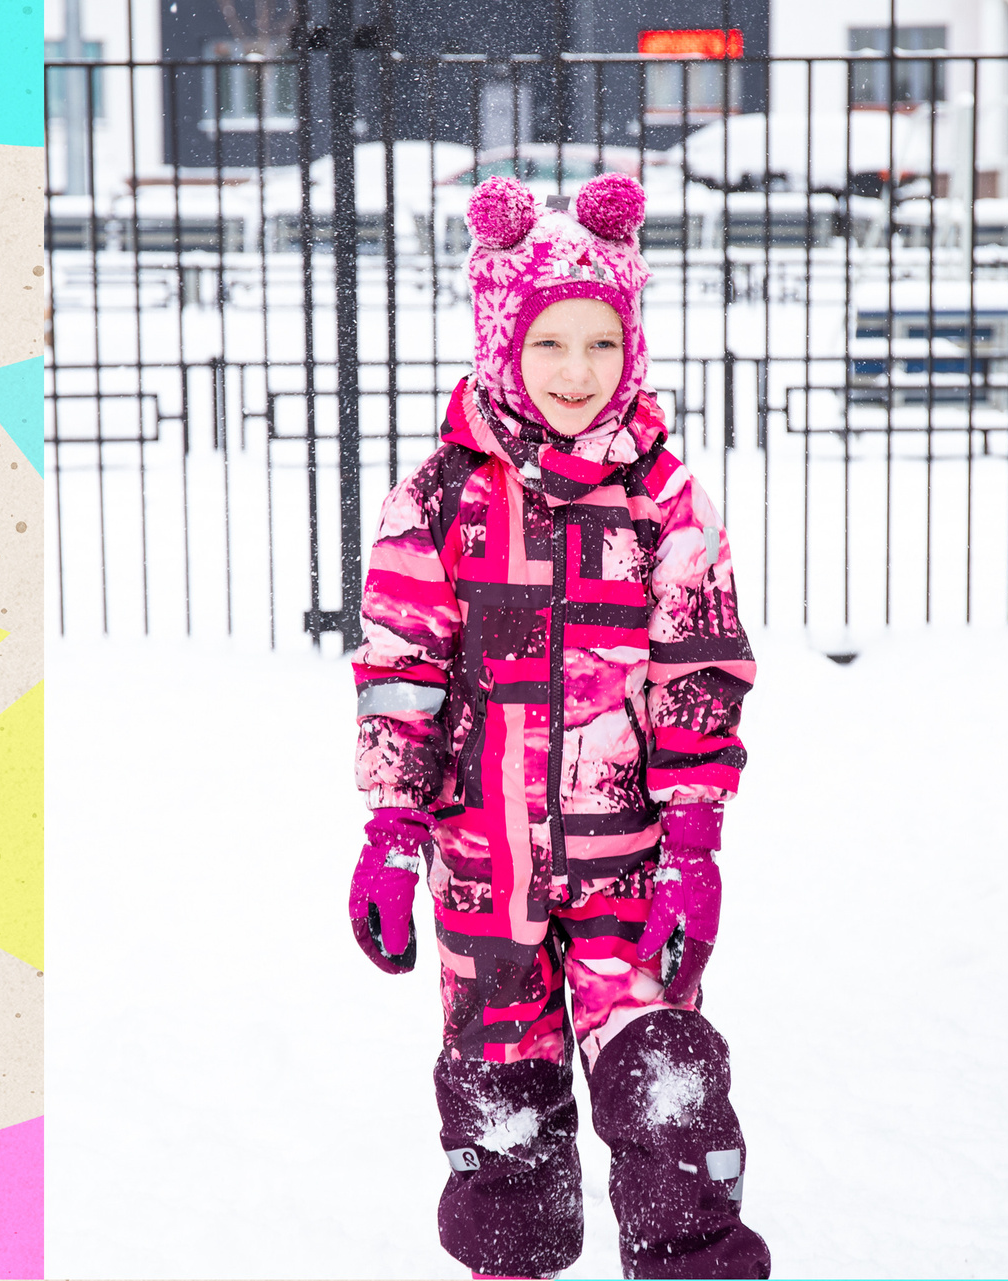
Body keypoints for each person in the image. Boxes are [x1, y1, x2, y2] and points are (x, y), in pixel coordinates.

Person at [346, 173, 770, 1279]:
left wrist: (692, 846)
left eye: (598, 344)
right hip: (482, 865)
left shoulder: (663, 502)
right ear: (500, 347)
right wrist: (391, 832)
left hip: (629, 865)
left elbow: (700, 677)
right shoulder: (441, 499)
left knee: (669, 1102)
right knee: (500, 1112)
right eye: (548, 347)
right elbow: (403, 670)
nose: (577, 374)